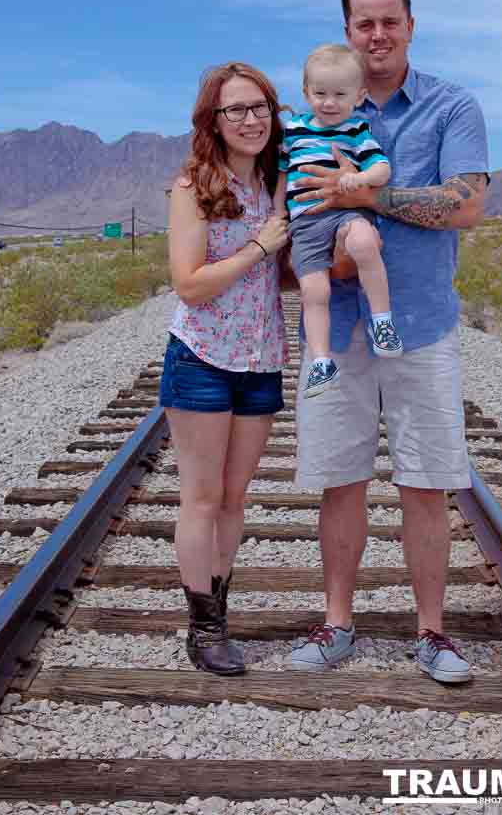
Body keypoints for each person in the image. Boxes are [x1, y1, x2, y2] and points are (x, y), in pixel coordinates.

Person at [288, 0, 489, 683]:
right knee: (340, 481)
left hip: (421, 325)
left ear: (410, 24)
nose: (377, 35)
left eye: (388, 21)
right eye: (363, 24)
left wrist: (365, 196)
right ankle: (337, 622)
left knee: (425, 484)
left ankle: (431, 633)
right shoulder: (318, 109)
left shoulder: (450, 107)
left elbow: (464, 205)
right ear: (347, 31)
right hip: (338, 326)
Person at [159, 62, 289, 676]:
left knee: (235, 499)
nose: (251, 119)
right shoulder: (194, 186)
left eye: (260, 107)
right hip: (203, 358)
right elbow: (189, 284)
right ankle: (204, 629)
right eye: (236, 109)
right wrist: (260, 246)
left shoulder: (278, 182)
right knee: (203, 497)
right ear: (213, 120)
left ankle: (220, 610)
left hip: (261, 360)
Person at [274, 43, 403, 399]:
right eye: (320, 94)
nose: (329, 103)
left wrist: (359, 179)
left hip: (346, 213)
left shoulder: (356, 130)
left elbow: (382, 168)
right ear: (306, 92)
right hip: (305, 225)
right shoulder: (293, 130)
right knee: (314, 292)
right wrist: (277, 212)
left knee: (363, 242)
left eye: (340, 95)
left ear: (359, 96)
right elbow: (283, 173)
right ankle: (321, 361)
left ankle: (382, 322)